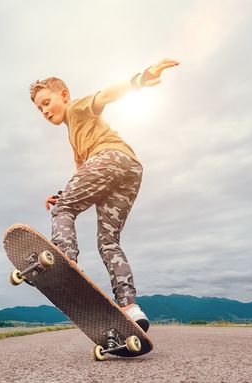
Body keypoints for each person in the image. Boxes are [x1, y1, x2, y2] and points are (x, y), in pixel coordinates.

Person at [29, 58, 179, 331]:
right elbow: (84, 176)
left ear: (63, 95)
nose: (45, 112)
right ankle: (130, 307)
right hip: (129, 170)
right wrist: (64, 193)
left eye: (47, 102)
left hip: (109, 158)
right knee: (108, 241)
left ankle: (65, 264)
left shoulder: (76, 109)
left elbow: (106, 95)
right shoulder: (75, 138)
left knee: (63, 211)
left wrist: (141, 79)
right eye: (40, 109)